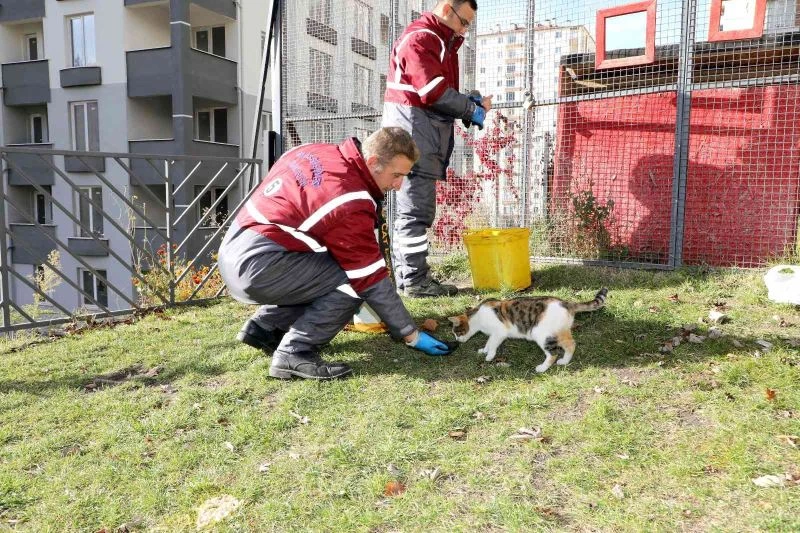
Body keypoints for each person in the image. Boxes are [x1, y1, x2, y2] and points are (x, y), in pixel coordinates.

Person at [218, 128, 456, 381]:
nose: (398, 186)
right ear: (373, 162)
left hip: (235, 248)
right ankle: (295, 352)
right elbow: (371, 280)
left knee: (324, 272)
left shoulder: (313, 150)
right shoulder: (349, 201)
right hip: (260, 268)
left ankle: (264, 327)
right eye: (396, 175)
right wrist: (411, 335)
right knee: (354, 280)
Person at [382, 0, 492, 298]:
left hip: (419, 134)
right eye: (464, 21)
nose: (465, 28)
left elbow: (435, 91)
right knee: (415, 212)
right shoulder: (423, 38)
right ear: (447, 9)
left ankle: (410, 277)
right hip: (415, 136)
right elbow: (432, 92)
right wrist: (471, 108)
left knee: (415, 211)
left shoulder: (436, 40)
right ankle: (414, 281)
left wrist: (469, 104)